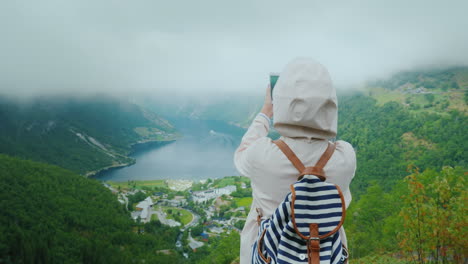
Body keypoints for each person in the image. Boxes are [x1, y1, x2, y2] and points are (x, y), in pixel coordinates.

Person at [234, 57, 356, 263]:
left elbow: (241, 154)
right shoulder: (345, 155)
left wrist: (266, 112)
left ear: (281, 100)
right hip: (324, 255)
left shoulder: (262, 154)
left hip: (269, 253)